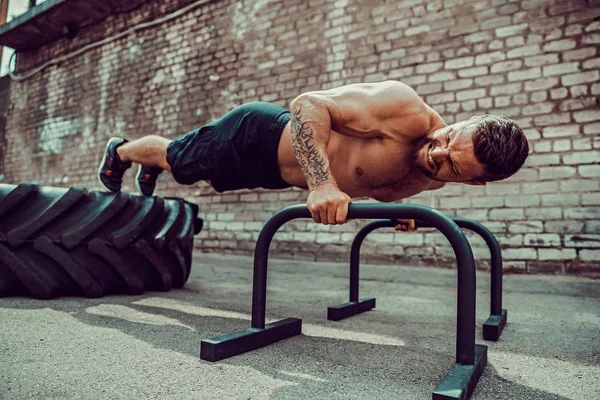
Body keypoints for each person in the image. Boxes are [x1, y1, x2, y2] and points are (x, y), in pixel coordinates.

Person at [97, 80, 529, 230]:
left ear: (472, 181)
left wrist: (396, 209)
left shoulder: (432, 178)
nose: (436, 151)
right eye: (447, 136)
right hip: (259, 134)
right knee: (179, 158)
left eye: (452, 164)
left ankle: (149, 168)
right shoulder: (405, 110)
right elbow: (310, 104)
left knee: (196, 175)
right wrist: (322, 184)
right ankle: (121, 151)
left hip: (278, 173)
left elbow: (379, 183)